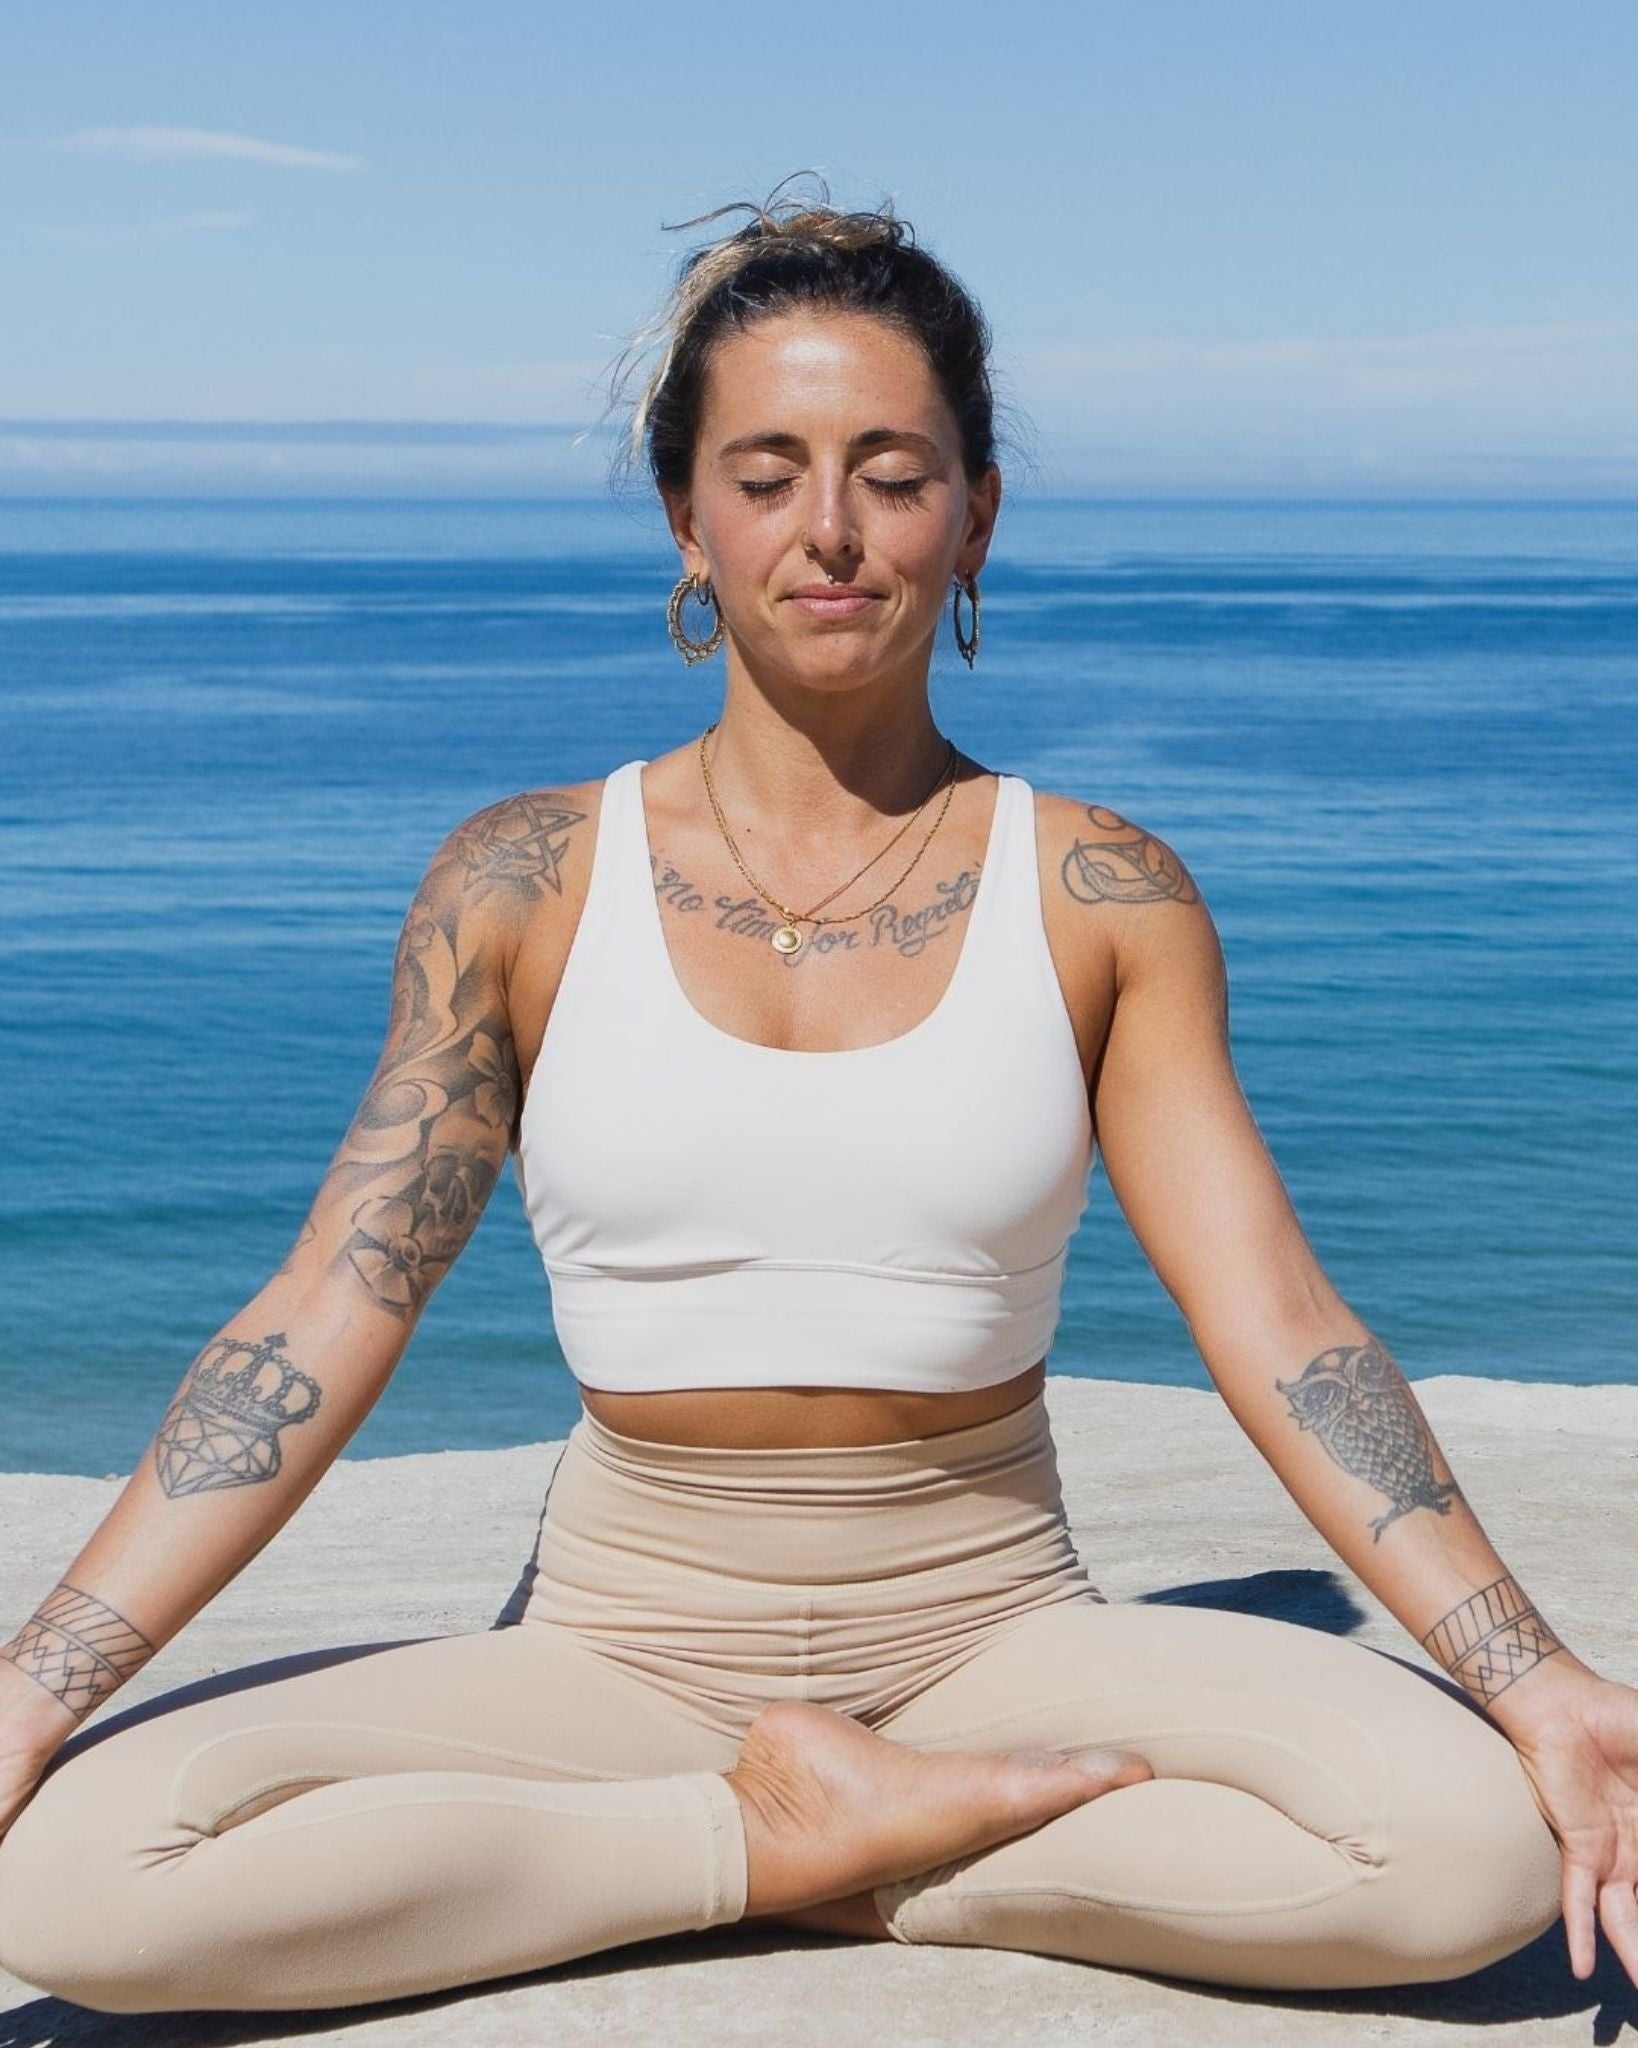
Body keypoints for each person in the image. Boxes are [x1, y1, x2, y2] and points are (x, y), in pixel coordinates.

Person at [0, 172, 1633, 2020]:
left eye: (893, 470)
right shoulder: (524, 879)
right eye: (765, 474)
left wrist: (1533, 1676)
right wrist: (36, 1681)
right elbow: (325, 1309)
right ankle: (780, 1841)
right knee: (71, 1877)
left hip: (995, 1628)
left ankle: (832, 1856)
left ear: (977, 513)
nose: (830, 531)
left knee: (1465, 1856)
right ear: (687, 520)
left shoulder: (1100, 892)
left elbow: (1276, 1323)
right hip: (621, 1639)